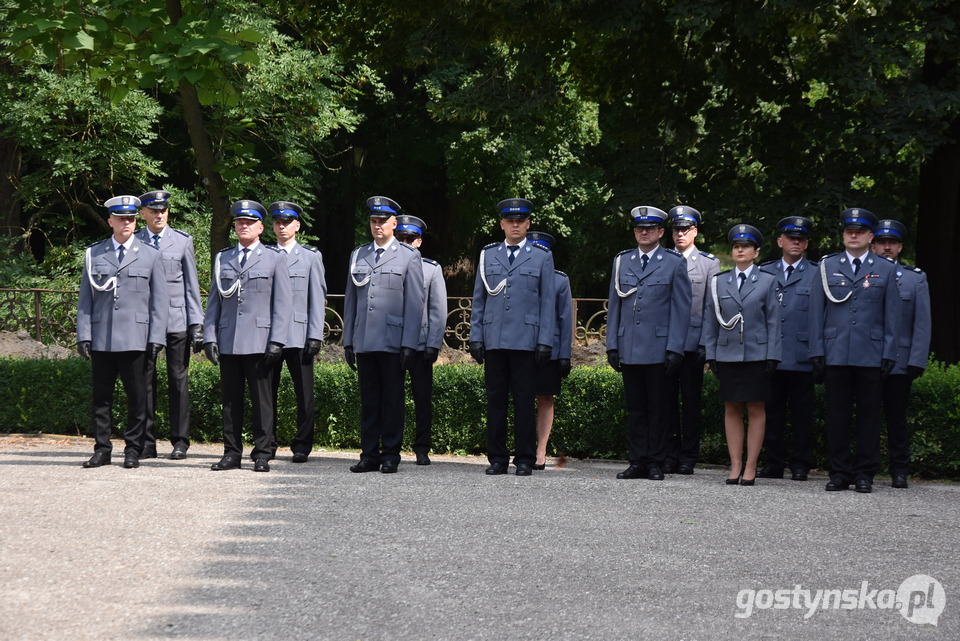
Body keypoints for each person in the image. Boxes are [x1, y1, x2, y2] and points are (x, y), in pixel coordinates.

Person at [808, 208, 901, 493]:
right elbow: (815, 312)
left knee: (869, 416)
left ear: (870, 237)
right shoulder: (827, 266)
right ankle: (839, 472)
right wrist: (816, 351)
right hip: (835, 352)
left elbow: (892, 315)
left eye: (859, 232)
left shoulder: (885, 269)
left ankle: (864, 473)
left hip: (870, 354)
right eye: (849, 231)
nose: (853, 235)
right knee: (837, 415)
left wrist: (889, 353)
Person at [76, 195, 169, 469]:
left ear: (135, 220)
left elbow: (159, 302)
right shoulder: (95, 254)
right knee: (101, 399)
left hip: (136, 339)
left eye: (130, 218)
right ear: (110, 221)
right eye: (121, 218)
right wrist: (83, 334)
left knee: (138, 399)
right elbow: (85, 299)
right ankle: (102, 449)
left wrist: (156, 338)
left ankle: (133, 449)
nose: (126, 222)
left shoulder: (150, 254)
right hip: (103, 337)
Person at [202, 200, 292, 473]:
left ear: (261, 228)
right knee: (230, 401)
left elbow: (283, 303)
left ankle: (263, 452)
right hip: (229, 339)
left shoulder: (275, 258)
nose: (243, 226)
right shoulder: (223, 258)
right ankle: (232, 453)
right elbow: (214, 301)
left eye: (249, 222)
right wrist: (209, 336)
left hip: (260, 341)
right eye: (240, 222)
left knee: (262, 401)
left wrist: (277, 340)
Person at [470, 198, 556, 476]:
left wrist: (545, 340)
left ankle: (524, 458)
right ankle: (496, 458)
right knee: (495, 400)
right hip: (494, 338)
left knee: (523, 401)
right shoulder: (488, 255)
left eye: (520, 221)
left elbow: (547, 303)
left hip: (526, 340)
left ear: (528, 224)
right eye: (510, 220)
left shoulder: (542, 256)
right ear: (502, 224)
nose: (515, 225)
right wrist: (475, 336)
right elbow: (479, 299)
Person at [606, 206, 691, 481]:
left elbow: (681, 309)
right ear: (634, 232)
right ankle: (637, 461)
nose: (644, 232)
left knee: (659, 409)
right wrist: (612, 345)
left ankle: (656, 461)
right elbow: (615, 306)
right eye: (640, 228)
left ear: (660, 232)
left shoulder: (674, 263)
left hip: (659, 347)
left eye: (650, 228)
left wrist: (676, 348)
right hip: (629, 346)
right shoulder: (622, 261)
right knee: (636, 409)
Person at [344, 196, 425, 474]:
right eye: (373, 221)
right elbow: (351, 301)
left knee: (392, 399)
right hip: (365, 339)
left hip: (393, 340)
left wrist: (409, 344)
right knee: (369, 400)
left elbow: (415, 304)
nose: (377, 226)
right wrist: (348, 340)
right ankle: (369, 454)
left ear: (394, 223)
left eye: (382, 221)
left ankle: (390, 453)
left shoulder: (408, 256)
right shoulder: (359, 254)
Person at [702, 224, 781, 486]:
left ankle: (750, 466)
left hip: (757, 354)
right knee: (732, 408)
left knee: (756, 408)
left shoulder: (768, 281)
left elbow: (773, 322)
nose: (740, 250)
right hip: (727, 354)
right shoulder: (719, 281)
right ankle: (735, 465)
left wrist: (773, 355)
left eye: (745, 246)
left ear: (756, 252)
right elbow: (711, 320)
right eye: (736, 247)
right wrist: (710, 353)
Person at [134, 190, 204, 461]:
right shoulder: (135, 241)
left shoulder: (182, 241)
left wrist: (196, 322)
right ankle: (146, 442)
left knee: (178, 381)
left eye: (163, 210)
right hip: (145, 323)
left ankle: (180, 441)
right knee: (145, 382)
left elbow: (191, 285)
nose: (159, 215)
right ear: (143, 214)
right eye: (153, 211)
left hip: (176, 320)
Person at [758, 216, 818, 481]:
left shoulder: (818, 273)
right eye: (791, 238)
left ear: (806, 244)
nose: (796, 242)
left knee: (803, 413)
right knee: (771, 411)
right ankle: (773, 462)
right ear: (780, 241)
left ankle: (801, 463)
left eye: (801, 239)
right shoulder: (764, 271)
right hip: (770, 353)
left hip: (802, 354)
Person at [872, 219, 931, 489]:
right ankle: (867, 468)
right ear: (873, 246)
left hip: (899, 360)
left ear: (899, 247)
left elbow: (922, 321)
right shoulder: (864, 276)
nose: (886, 247)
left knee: (896, 418)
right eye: (881, 243)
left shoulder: (914, 277)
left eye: (891, 243)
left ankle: (899, 470)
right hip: (868, 359)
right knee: (867, 417)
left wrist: (917, 359)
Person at [267, 201, 327, 463]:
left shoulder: (311, 257)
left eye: (287, 222)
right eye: (278, 222)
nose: (282, 226)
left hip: (299, 335)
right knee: (266, 393)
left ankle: (302, 445)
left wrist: (315, 334)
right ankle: (267, 443)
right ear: (272, 226)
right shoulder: (265, 255)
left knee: (304, 394)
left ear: (297, 226)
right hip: (268, 336)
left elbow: (317, 298)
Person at [663, 205, 720, 475]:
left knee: (691, 401)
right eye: (676, 229)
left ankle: (689, 456)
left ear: (695, 232)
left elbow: (712, 307)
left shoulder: (709, 263)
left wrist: (706, 344)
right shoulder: (662, 259)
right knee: (666, 401)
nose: (680, 234)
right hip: (664, 343)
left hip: (692, 342)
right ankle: (670, 453)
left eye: (685, 229)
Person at [396, 214, 447, 466]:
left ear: (419, 242)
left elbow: (438, 310)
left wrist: (434, 343)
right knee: (390, 398)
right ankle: (390, 444)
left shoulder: (431, 269)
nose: (405, 242)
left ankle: (422, 447)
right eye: (401, 237)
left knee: (422, 398)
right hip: (392, 343)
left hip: (420, 344)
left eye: (410, 238)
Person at [525, 231, 573, 470]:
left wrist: (565, 354)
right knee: (521, 397)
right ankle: (523, 447)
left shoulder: (559, 280)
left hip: (550, 350)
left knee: (545, 397)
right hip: (521, 345)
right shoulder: (520, 275)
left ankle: (540, 449)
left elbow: (566, 320)